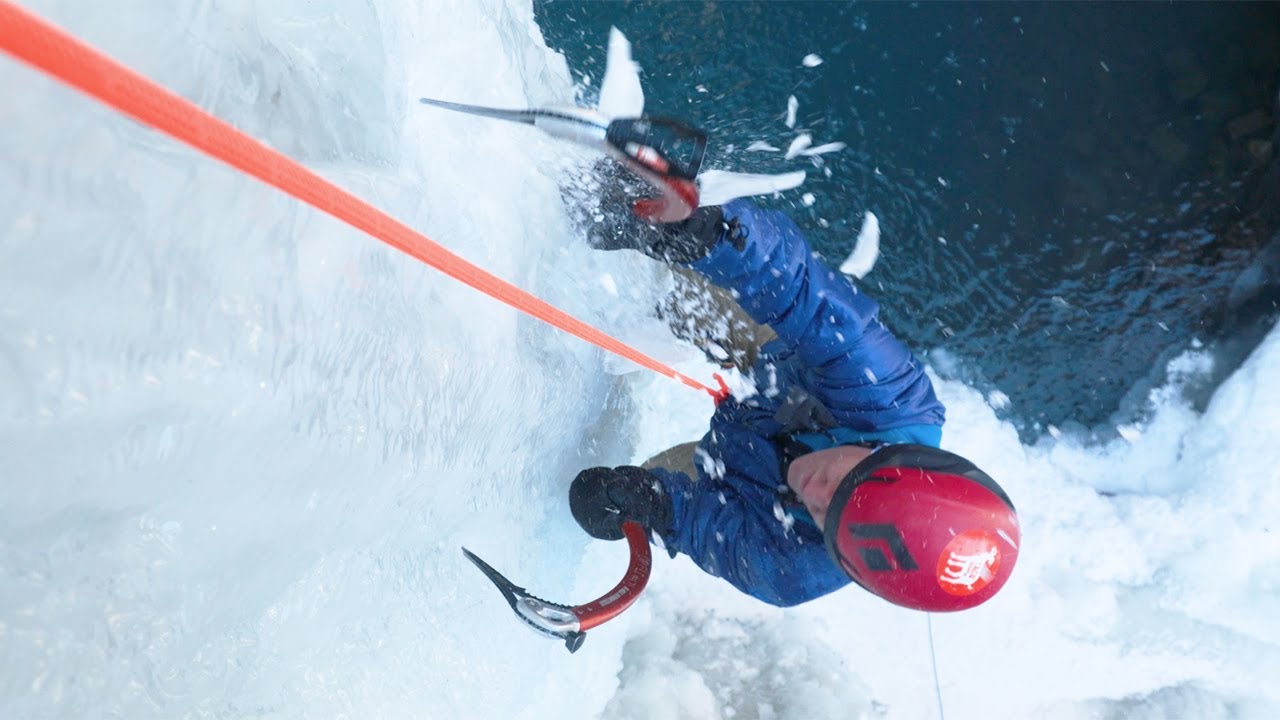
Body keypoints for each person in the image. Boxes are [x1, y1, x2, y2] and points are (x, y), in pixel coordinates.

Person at [570, 199, 1021, 612]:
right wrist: (711, 237)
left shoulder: (791, 571)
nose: (815, 490)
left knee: (627, 489)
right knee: (687, 267)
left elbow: (700, 525)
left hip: (734, 482)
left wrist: (653, 505)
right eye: (845, 482)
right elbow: (801, 289)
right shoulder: (885, 392)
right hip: (778, 367)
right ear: (893, 453)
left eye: (827, 520)